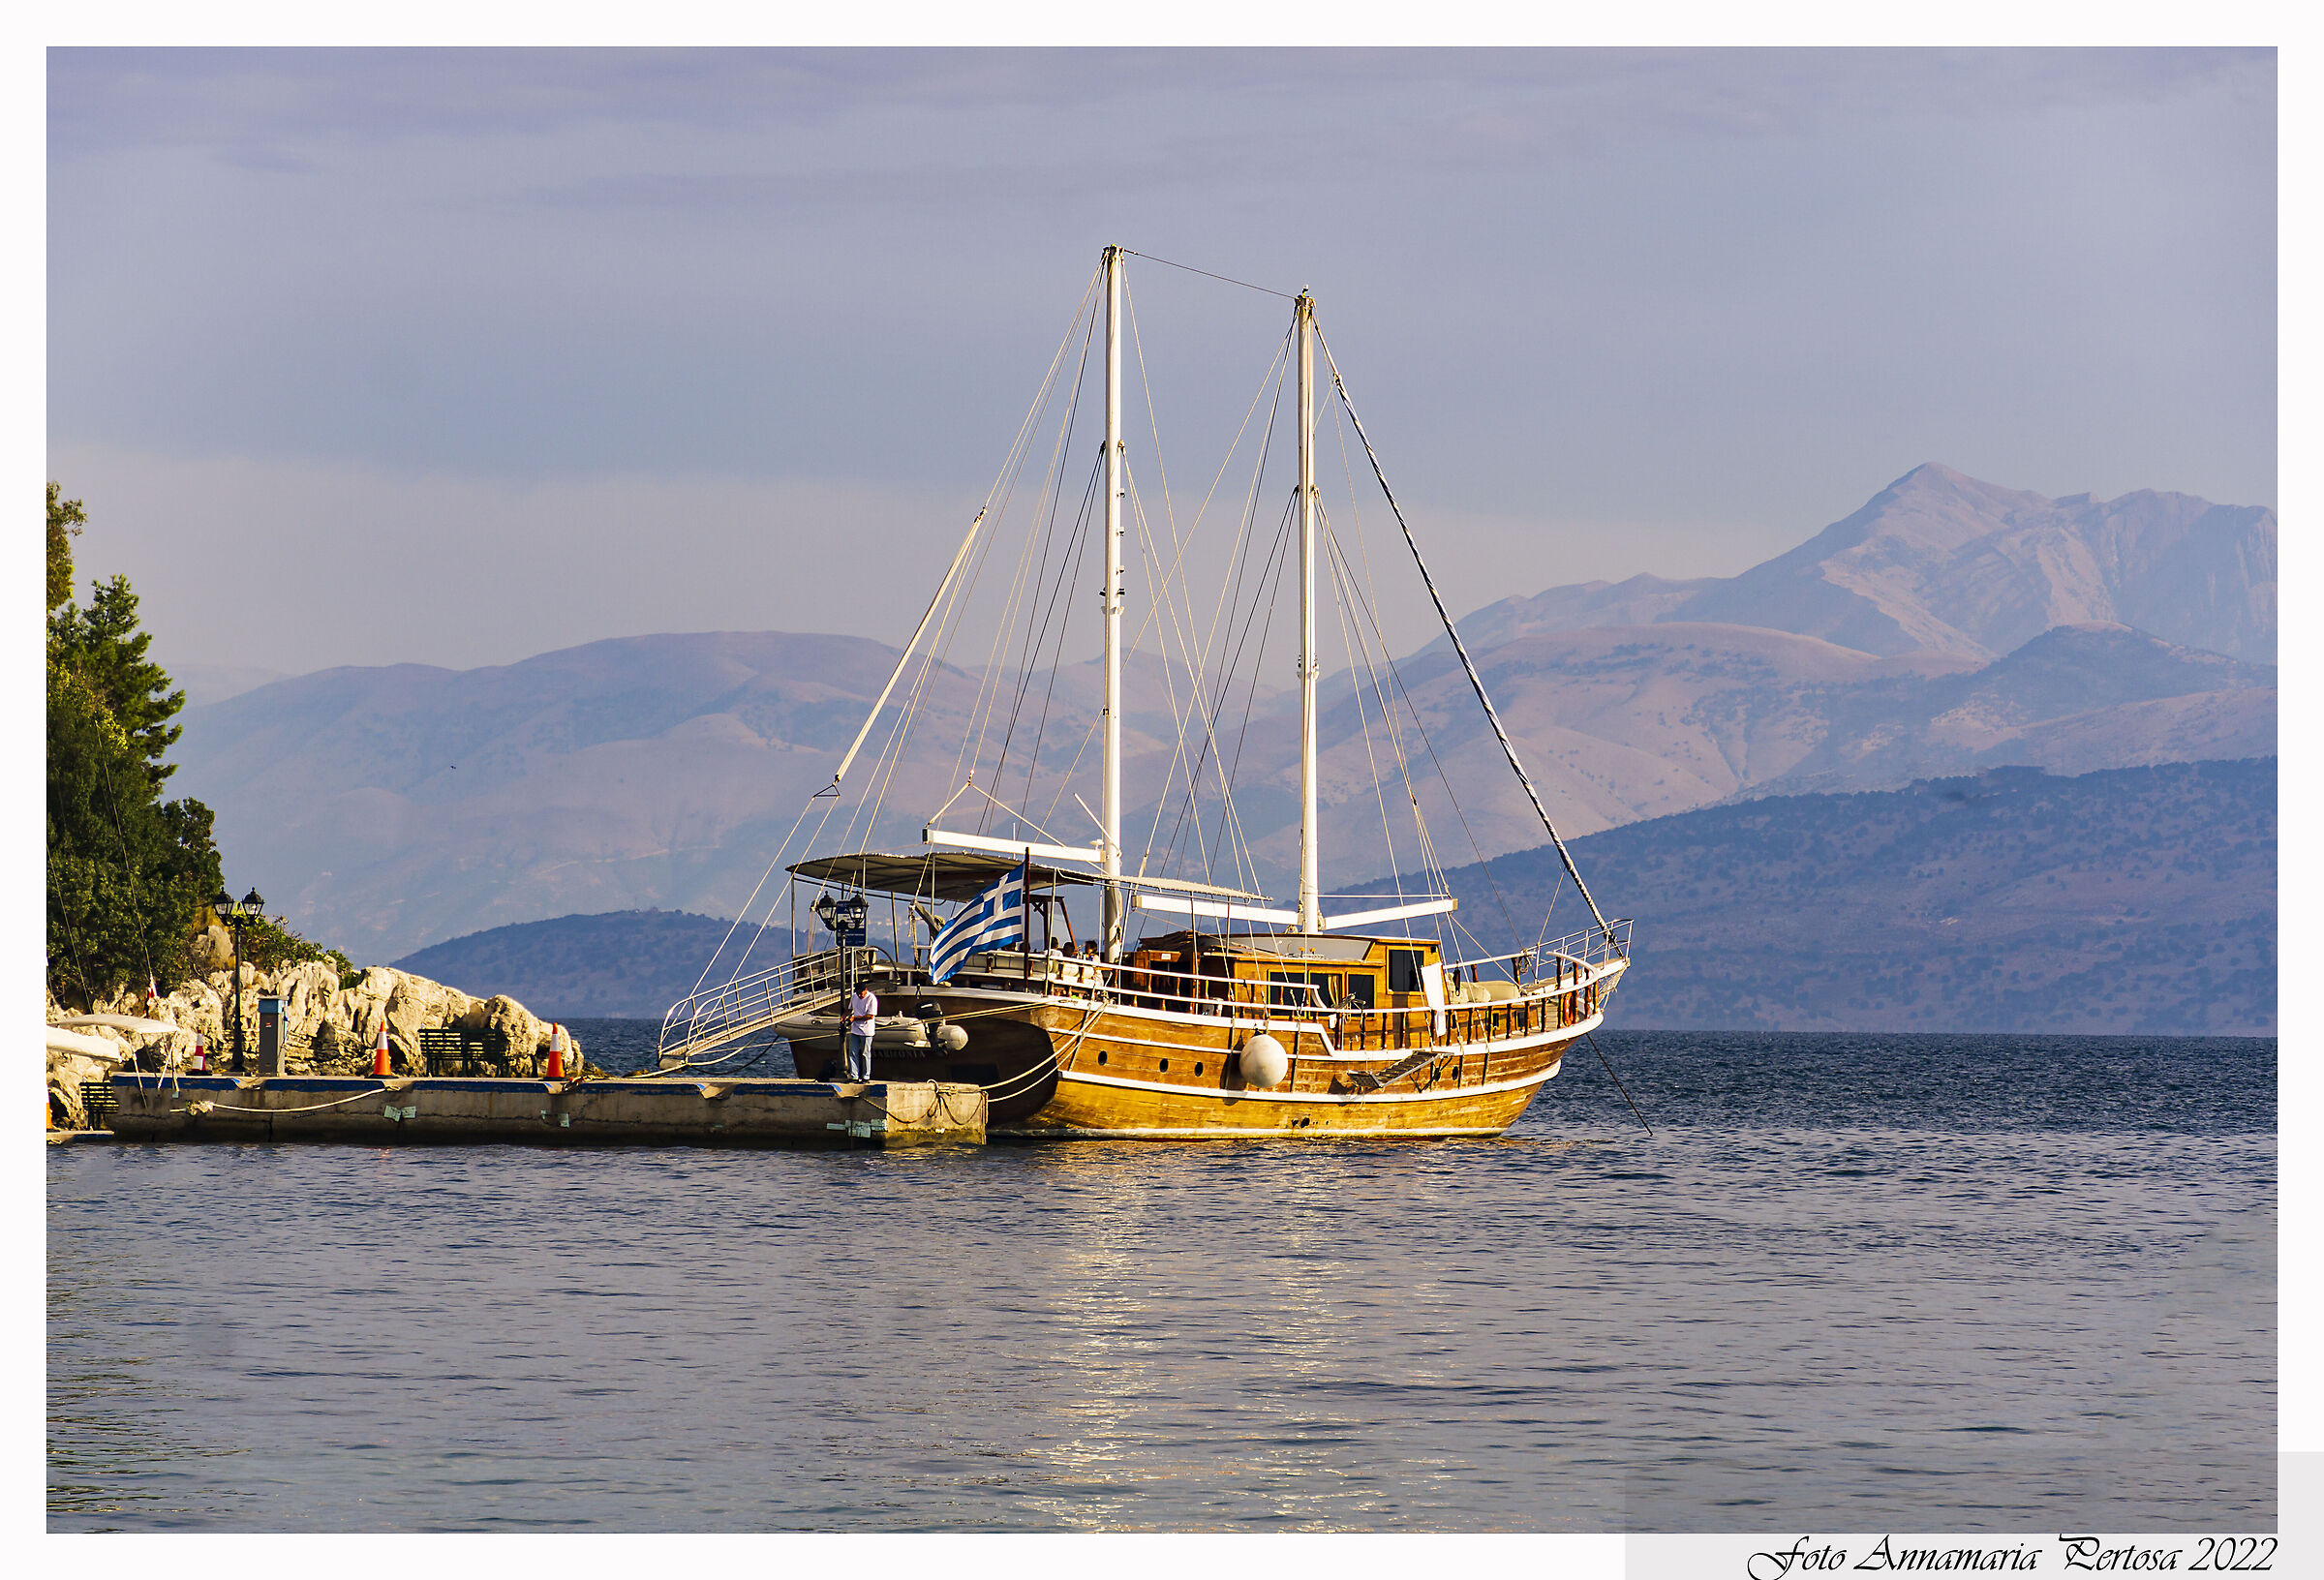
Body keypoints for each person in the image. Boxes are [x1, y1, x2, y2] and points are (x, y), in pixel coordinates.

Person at [844, 982, 878, 1081]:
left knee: (865, 1053)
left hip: (867, 1031)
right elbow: (849, 1009)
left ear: (865, 990)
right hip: (855, 1030)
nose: (859, 995)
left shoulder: (871, 998)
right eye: (858, 993)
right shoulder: (854, 996)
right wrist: (844, 1016)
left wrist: (854, 1018)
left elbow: (870, 1016)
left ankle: (866, 1076)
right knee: (853, 1052)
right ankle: (854, 1075)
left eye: (861, 993)